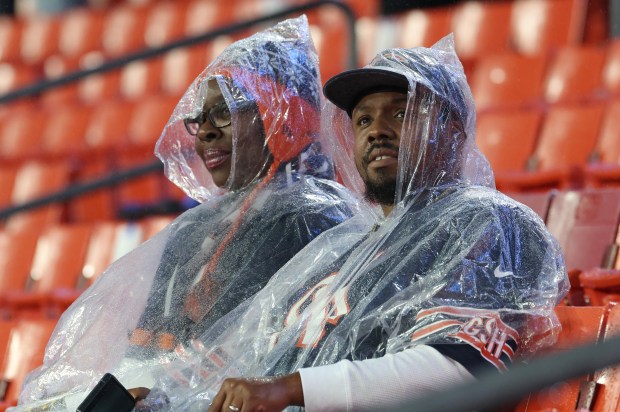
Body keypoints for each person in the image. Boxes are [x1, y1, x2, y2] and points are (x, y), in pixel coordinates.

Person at [128, 33, 568, 412]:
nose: (376, 130)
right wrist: (170, 399)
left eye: (401, 112)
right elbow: (251, 363)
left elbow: (461, 368)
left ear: (451, 132)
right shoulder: (344, 246)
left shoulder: (489, 222)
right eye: (363, 119)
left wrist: (291, 390)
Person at [12, 16, 365, 411]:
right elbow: (148, 345)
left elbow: (267, 361)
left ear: (284, 118)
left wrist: (162, 395)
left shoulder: (315, 220)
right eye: (201, 119)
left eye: (226, 113)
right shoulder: (195, 227)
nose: (206, 132)